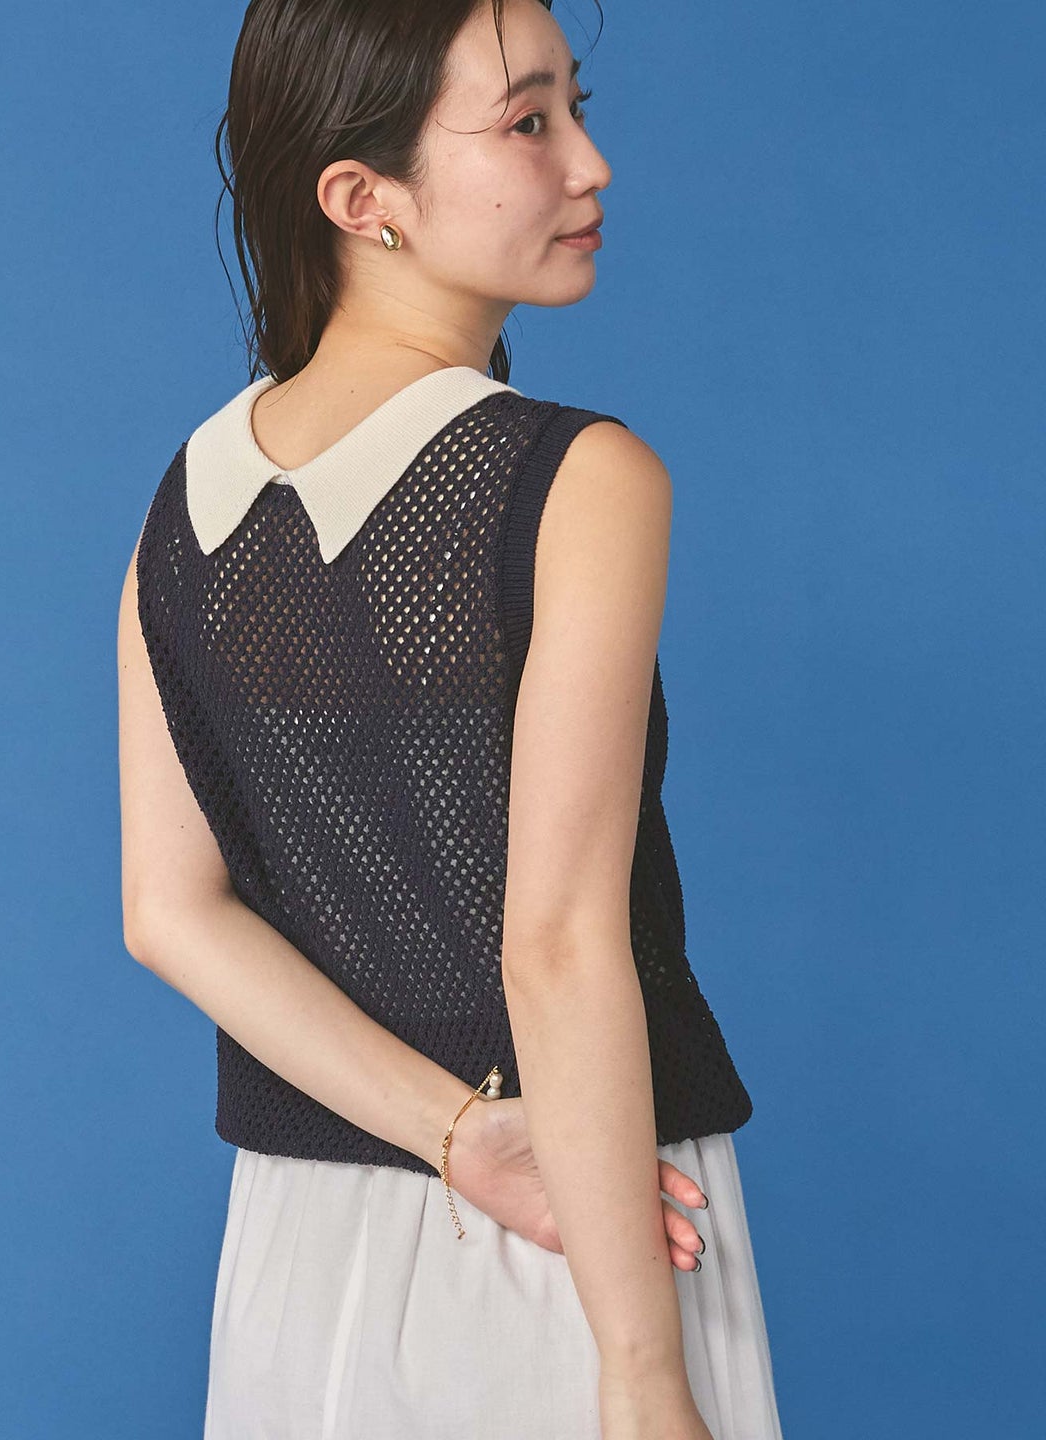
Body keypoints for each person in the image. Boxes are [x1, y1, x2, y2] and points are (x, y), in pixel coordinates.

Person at [117, 1, 784, 1436]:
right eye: (528, 122)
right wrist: (641, 1372)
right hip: (591, 1220)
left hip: (300, 1245)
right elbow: (556, 947)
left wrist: (456, 1131)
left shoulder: (183, 503)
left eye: (577, 108)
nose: (591, 164)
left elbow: (170, 914)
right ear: (364, 199)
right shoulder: (576, 479)